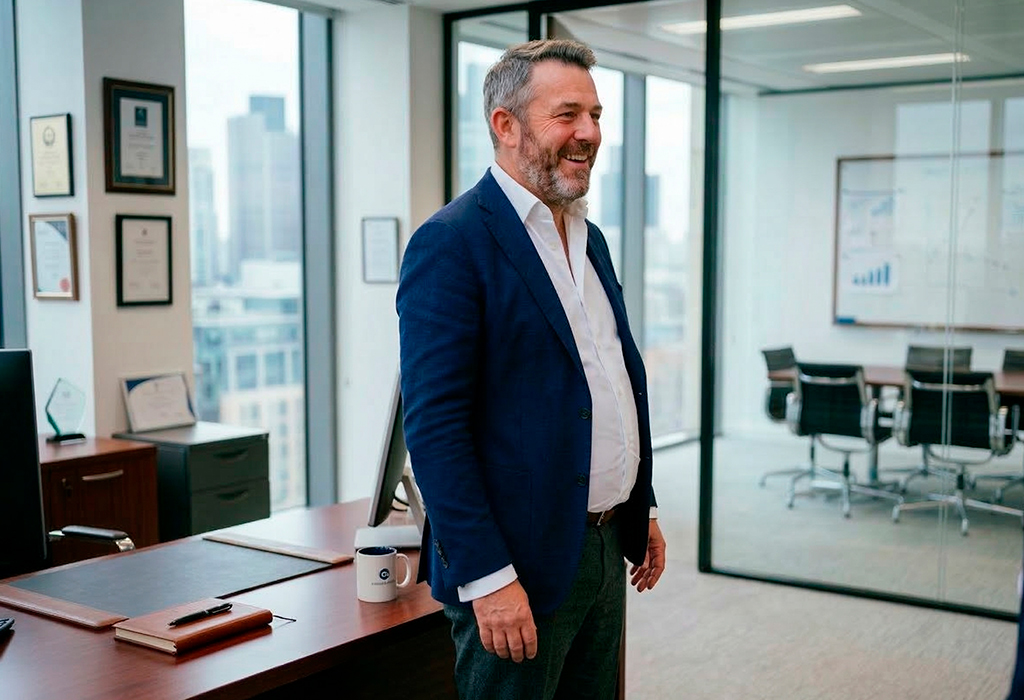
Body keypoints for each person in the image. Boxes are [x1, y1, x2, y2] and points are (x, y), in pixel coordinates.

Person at [396, 38, 666, 700]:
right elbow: (434, 429)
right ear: (505, 125)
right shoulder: (452, 243)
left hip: (602, 547)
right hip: (515, 561)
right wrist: (487, 577)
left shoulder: (588, 235)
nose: (590, 133)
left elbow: (604, 376)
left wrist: (640, 500)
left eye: (596, 115)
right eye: (567, 114)